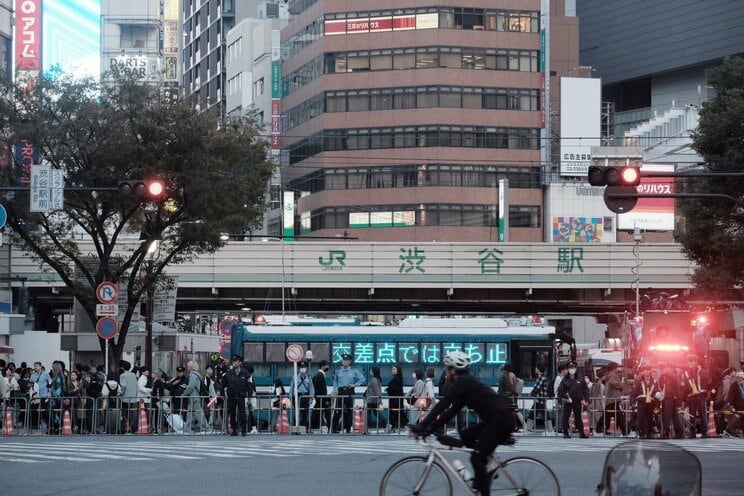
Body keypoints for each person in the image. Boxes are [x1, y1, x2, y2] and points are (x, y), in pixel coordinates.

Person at [409, 351, 514, 496]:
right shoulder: (466, 383)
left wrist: (422, 426)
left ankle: (482, 478)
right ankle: (483, 471)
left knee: (476, 456)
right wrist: (430, 428)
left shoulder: (463, 382)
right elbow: (451, 411)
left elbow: (443, 405)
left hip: (500, 420)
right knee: (466, 435)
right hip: (497, 419)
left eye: (447, 368)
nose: (446, 372)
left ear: (453, 370)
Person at [332, 353, 365, 433]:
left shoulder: (353, 371)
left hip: (349, 391)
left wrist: (355, 385)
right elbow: (335, 381)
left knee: (349, 410)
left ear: (349, 361)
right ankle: (334, 428)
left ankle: (347, 428)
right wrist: (335, 389)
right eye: (343, 360)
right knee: (338, 409)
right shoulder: (338, 371)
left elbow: (363, 378)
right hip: (340, 391)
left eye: (346, 360)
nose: (345, 362)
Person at [557, 361, 589, 438]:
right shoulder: (565, 379)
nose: (572, 369)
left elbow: (585, 389)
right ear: (568, 369)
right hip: (568, 401)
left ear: (576, 368)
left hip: (577, 400)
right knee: (566, 417)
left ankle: (582, 433)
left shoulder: (580, 379)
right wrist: (562, 400)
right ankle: (565, 433)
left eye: (573, 368)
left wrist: (587, 399)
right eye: (570, 368)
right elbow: (560, 390)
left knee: (578, 416)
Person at [222, 355, 251, 436]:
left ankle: (243, 430)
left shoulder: (245, 373)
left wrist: (249, 394)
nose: (234, 363)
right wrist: (220, 391)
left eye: (236, 361)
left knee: (242, 413)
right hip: (232, 396)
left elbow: (249, 384)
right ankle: (234, 429)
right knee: (232, 413)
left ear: (240, 362)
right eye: (233, 361)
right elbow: (224, 384)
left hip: (241, 395)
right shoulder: (229, 373)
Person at [683, 354, 710, 438]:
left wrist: (704, 390)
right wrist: (686, 396)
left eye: (692, 361)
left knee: (703, 414)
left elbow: (707, 383)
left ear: (696, 362)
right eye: (689, 361)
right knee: (692, 414)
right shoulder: (686, 373)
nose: (690, 363)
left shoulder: (703, 371)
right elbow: (685, 385)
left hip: (701, 395)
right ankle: (693, 432)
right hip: (691, 396)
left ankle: (704, 432)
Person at [182, 360, 210, 433]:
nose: (187, 367)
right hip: (195, 397)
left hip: (194, 397)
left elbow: (191, 387)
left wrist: (184, 394)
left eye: (188, 366)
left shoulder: (193, 376)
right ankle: (187, 429)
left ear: (191, 367)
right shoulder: (197, 375)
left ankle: (206, 428)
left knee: (198, 414)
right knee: (190, 413)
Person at [631, 365, 659, 439]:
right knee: (641, 418)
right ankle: (641, 433)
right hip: (641, 402)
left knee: (650, 418)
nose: (647, 371)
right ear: (643, 371)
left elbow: (657, 392)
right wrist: (633, 403)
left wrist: (657, 404)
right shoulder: (639, 381)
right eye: (645, 370)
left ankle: (649, 433)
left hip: (651, 403)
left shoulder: (654, 382)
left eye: (648, 370)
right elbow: (633, 393)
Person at [657, 362, 684, 439]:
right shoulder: (661, 378)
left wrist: (678, 398)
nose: (662, 370)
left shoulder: (672, 376)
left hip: (671, 398)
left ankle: (666, 432)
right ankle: (680, 432)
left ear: (666, 368)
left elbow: (677, 387)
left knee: (667, 415)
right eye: (660, 369)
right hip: (664, 398)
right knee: (674, 415)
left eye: (663, 368)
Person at [600, 362, 627, 435]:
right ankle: (625, 431)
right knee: (618, 415)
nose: (617, 369)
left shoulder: (607, 376)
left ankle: (601, 428)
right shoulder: (614, 376)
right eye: (616, 368)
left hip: (609, 398)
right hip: (613, 398)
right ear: (614, 368)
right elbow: (618, 385)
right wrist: (622, 385)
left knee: (608, 415)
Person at [289, 360, 314, 432]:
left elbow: (311, 388)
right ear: (299, 368)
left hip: (305, 396)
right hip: (297, 396)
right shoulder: (295, 377)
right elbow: (291, 387)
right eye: (302, 367)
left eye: (304, 367)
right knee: (296, 413)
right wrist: (290, 397)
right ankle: (294, 428)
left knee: (305, 413)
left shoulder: (309, 377)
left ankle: (303, 428)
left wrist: (311, 397)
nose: (303, 368)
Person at [528, 364, 550, 432]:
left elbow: (536, 387)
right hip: (540, 399)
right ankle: (528, 428)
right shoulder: (543, 377)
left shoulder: (541, 378)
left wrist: (531, 393)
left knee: (544, 414)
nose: (535, 369)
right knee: (533, 413)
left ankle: (550, 429)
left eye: (536, 368)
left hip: (540, 399)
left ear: (538, 369)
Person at [118, 361, 139, 434]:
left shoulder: (122, 375)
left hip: (125, 397)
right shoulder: (133, 375)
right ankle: (133, 427)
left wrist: (120, 393)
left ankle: (125, 428)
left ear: (123, 368)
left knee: (124, 413)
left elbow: (123, 386)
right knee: (132, 412)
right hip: (133, 397)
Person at [312, 360, 332, 432]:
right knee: (327, 413)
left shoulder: (317, 375)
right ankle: (329, 428)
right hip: (322, 398)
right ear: (323, 366)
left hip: (319, 398)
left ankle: (309, 427)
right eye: (327, 365)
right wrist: (326, 399)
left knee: (316, 413)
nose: (328, 367)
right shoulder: (320, 376)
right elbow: (322, 389)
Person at [364, 366, 387, 432]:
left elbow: (377, 390)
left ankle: (366, 428)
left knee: (368, 413)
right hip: (374, 400)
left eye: (371, 371)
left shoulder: (374, 380)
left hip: (372, 400)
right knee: (376, 414)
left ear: (373, 372)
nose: (370, 372)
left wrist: (379, 400)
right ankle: (388, 424)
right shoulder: (377, 379)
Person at [386, 365, 407, 432]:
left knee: (398, 413)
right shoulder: (398, 379)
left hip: (395, 400)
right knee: (396, 413)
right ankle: (392, 427)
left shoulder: (396, 379)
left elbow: (394, 388)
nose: (392, 370)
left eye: (394, 369)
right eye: (392, 369)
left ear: (398, 371)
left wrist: (388, 389)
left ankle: (407, 424)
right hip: (395, 399)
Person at [725, 371, 744, 436]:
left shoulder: (742, 385)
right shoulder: (734, 385)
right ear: (738, 378)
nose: (741, 379)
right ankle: (728, 429)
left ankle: (731, 430)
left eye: (742, 378)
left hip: (741, 404)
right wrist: (731, 404)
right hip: (737, 404)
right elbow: (731, 395)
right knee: (737, 417)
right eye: (740, 378)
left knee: (739, 417)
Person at [553, 364, 567, 434]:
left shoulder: (562, 378)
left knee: (561, 413)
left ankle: (559, 427)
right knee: (560, 413)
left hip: (561, 398)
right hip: (559, 398)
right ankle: (558, 428)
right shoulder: (559, 378)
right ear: (562, 371)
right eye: (565, 369)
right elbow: (556, 390)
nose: (566, 371)